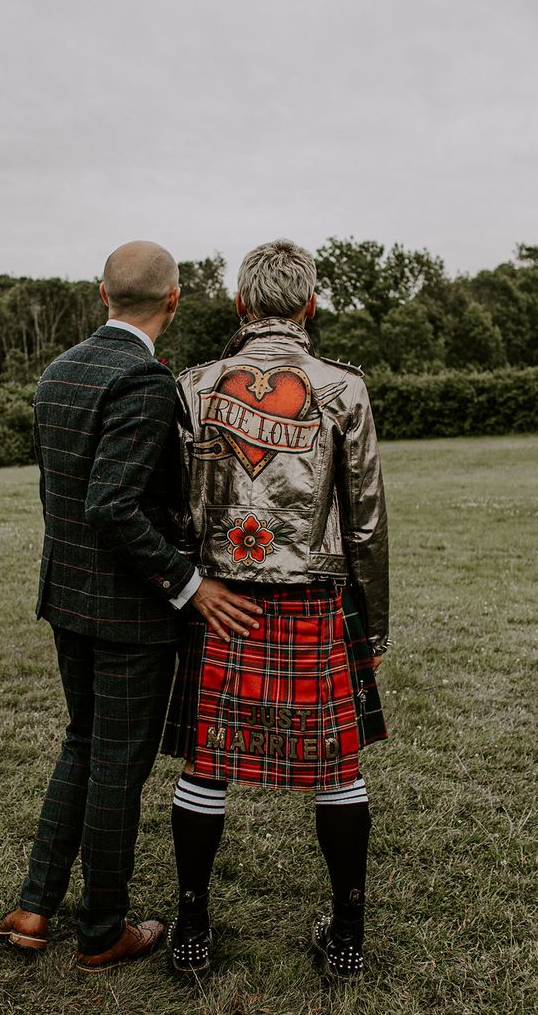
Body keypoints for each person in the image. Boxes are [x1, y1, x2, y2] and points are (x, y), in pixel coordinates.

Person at [0, 240, 261, 973]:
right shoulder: (144, 380)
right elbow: (111, 506)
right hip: (129, 612)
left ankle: (33, 908)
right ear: (174, 301)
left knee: (82, 744)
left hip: (69, 598)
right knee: (116, 763)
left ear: (101, 292)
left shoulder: (60, 370)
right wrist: (190, 584)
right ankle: (102, 930)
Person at [161, 238, 390, 978]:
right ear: (309, 304)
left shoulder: (195, 384)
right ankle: (348, 940)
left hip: (218, 598)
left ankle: (192, 929)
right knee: (337, 767)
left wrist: (187, 590)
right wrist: (374, 624)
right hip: (315, 596)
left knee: (206, 763)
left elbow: (175, 509)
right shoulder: (343, 387)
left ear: (240, 304)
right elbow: (367, 522)